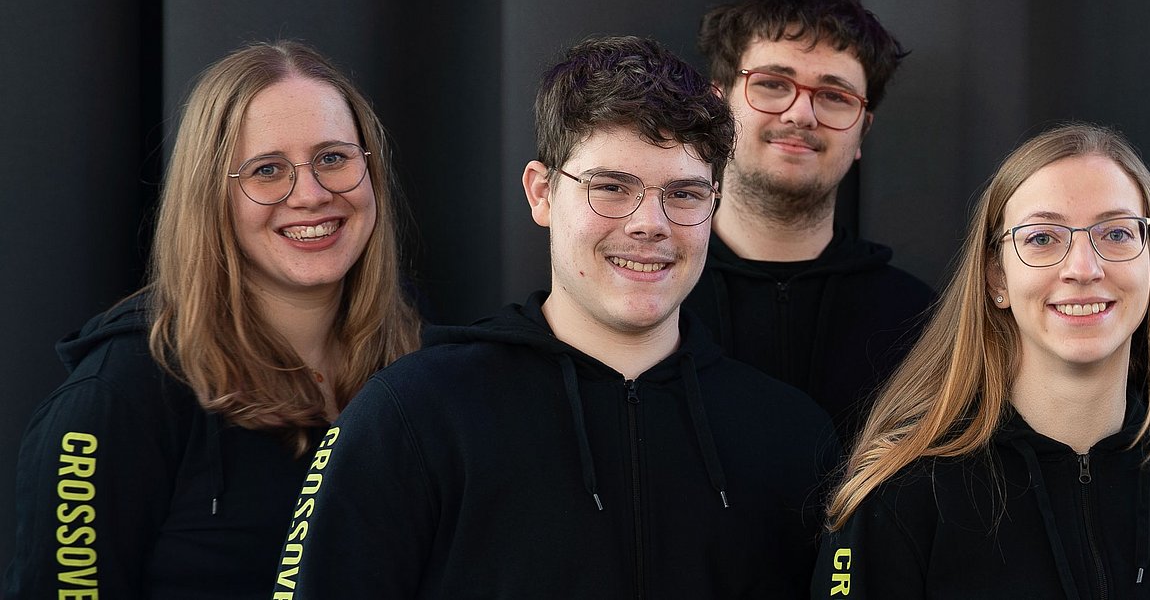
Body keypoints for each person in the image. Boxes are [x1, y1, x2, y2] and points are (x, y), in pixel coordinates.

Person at [272, 36, 838, 598]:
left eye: (684, 194)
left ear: (714, 202)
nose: (650, 224)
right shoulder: (415, 414)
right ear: (541, 193)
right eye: (611, 187)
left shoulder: (791, 436)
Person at [5, 41, 421, 599]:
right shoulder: (118, 396)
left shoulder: (420, 365)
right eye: (267, 170)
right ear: (210, 196)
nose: (311, 195)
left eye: (332, 158)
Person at [814, 123, 1150, 599]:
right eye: (1042, 238)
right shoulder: (901, 493)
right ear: (996, 277)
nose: (1083, 268)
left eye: (1117, 232)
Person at [689, 0, 935, 439]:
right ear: (718, 106)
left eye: (834, 96)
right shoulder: (653, 293)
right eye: (772, 84)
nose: (801, 114)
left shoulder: (921, 325)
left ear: (862, 133)